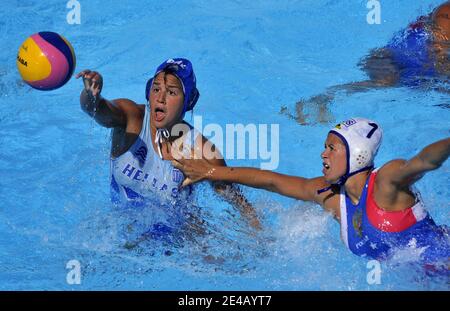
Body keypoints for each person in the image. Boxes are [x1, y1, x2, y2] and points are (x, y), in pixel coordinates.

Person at [172, 117, 450, 265]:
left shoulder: (385, 184)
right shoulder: (331, 197)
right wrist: (212, 172)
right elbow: (272, 181)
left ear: (358, 154)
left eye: (332, 147)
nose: (323, 153)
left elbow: (425, 161)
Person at [76, 58, 261, 240]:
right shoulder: (132, 119)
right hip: (119, 231)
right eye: (156, 89)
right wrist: (91, 95)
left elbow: (239, 203)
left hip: (176, 244)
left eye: (171, 92)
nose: (160, 98)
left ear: (188, 102)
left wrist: (261, 237)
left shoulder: (200, 150)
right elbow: (98, 110)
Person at [281, 2, 450, 125]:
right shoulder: (445, 15)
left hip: (425, 67)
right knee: (384, 82)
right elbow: (439, 54)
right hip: (396, 58)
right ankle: (320, 99)